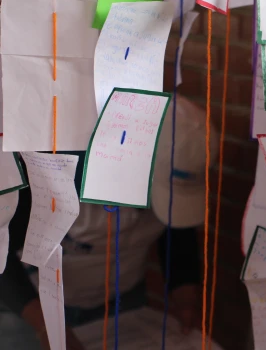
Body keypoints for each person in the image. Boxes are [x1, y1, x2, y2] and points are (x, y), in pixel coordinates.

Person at [0, 95, 216, 350]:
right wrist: (45, 325)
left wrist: (184, 289)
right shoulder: (47, 167)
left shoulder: (180, 153)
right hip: (29, 308)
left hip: (124, 304)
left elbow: (175, 228)